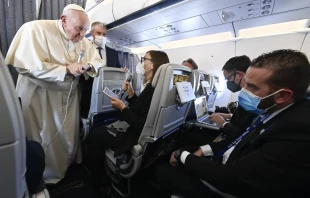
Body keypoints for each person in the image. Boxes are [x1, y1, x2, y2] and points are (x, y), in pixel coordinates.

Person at [157, 49, 310, 198]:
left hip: (232, 184)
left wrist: (182, 155)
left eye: (251, 87)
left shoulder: (297, 129)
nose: (244, 90)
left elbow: (230, 179)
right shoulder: (268, 110)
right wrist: (203, 151)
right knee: (188, 148)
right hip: (228, 161)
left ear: (282, 95)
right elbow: (238, 137)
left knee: (163, 171)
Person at [5, 4, 105, 183]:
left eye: (85, 30)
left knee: (65, 136)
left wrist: (88, 66)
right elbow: (24, 65)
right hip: (39, 95)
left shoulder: (82, 40)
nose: (83, 35)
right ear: (64, 20)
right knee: (39, 137)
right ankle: (37, 177)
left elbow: (98, 61)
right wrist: (66, 69)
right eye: (79, 29)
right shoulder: (35, 29)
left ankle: (63, 169)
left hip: (69, 97)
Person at [86, 50, 169, 196]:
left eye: (145, 59)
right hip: (132, 128)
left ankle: (99, 182)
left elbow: (140, 124)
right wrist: (131, 95)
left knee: (93, 135)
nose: (142, 62)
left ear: (153, 64)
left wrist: (122, 108)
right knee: (101, 130)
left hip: (132, 134)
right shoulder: (153, 87)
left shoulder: (152, 90)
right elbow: (141, 110)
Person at [178, 55, 256, 154]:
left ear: (239, 74)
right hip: (230, 132)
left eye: (228, 79)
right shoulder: (246, 96)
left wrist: (223, 123)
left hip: (232, 140)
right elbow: (243, 119)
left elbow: (243, 133)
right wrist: (229, 116)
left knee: (190, 136)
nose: (227, 82)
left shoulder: (250, 98)